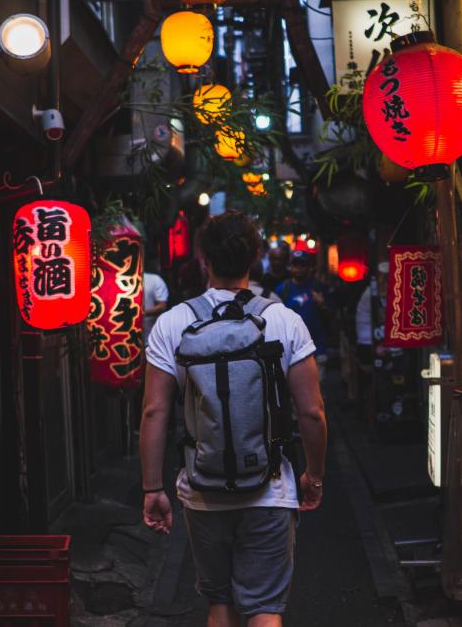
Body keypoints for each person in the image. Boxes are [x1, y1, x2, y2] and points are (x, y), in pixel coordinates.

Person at [140, 211, 327, 627]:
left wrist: (152, 487)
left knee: (219, 604)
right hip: (270, 489)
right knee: (264, 609)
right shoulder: (284, 320)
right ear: (256, 256)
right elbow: (311, 412)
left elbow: (155, 410)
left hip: (202, 490)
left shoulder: (173, 323)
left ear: (203, 257)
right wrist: (312, 475)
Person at [275, 251, 330, 383]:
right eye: (296, 265)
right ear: (290, 267)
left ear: (310, 267)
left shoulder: (319, 288)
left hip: (317, 347)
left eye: (303, 265)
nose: (299, 269)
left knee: (317, 390)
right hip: (291, 350)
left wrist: (322, 305)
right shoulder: (282, 289)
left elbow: (331, 318)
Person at [143, 261, 169, 345]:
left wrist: (140, 313)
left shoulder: (154, 280)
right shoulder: (118, 280)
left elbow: (162, 306)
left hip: (151, 336)